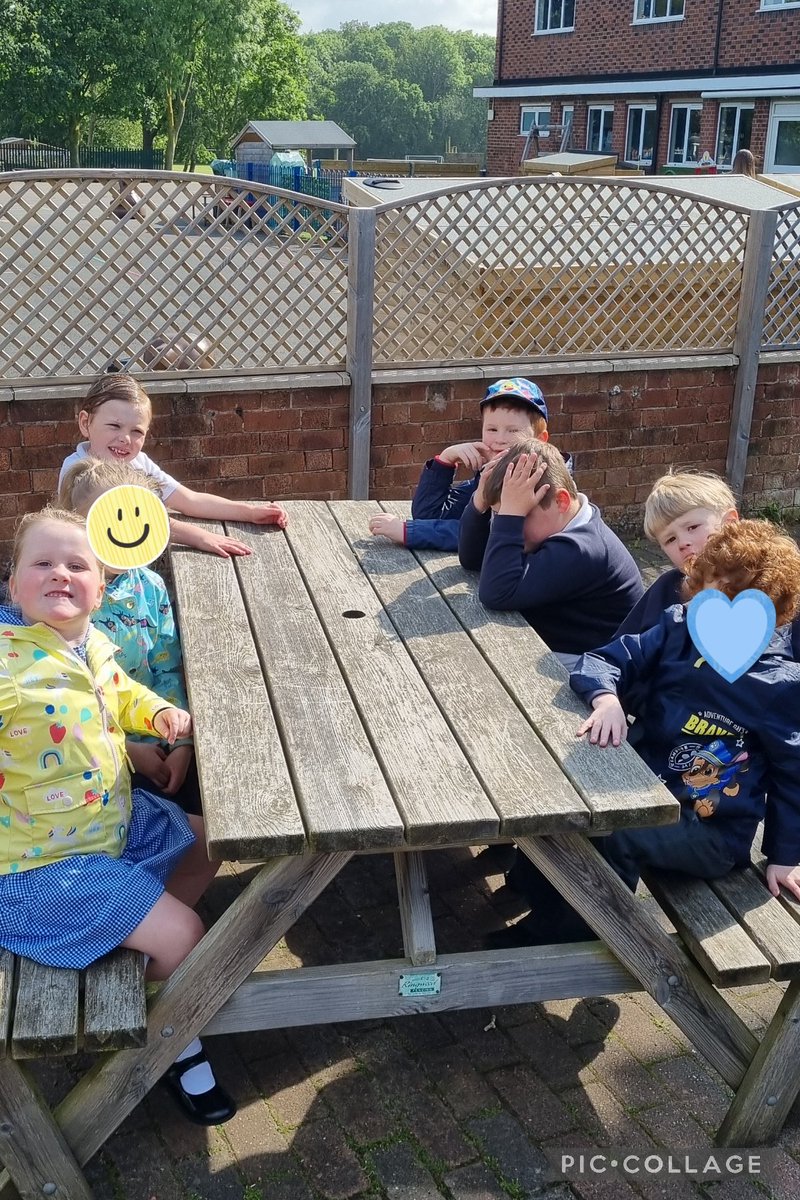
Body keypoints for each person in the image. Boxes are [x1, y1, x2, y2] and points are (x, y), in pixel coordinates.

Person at [0, 507, 235, 1125]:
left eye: (77, 565)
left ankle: (133, 946)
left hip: (112, 828)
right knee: (186, 936)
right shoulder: (6, 664)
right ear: (13, 583)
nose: (60, 574)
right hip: (41, 867)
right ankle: (175, 1041)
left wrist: (157, 714)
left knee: (207, 841)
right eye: (42, 563)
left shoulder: (90, 641)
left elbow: (119, 689)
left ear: (99, 587)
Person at [490, 520, 800, 948]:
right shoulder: (678, 627)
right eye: (712, 590)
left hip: (709, 832)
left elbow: (793, 773)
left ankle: (569, 937)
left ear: (770, 610)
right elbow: (603, 659)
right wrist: (606, 699)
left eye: (737, 598)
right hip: (642, 787)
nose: (717, 606)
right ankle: (533, 884)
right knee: (560, 800)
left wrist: (785, 856)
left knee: (615, 834)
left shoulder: (780, 685)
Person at [58, 457, 200, 814]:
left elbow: (166, 668)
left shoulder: (150, 587)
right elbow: (66, 705)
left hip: (160, 739)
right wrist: (127, 752)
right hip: (91, 762)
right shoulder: (63, 600)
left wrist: (182, 743)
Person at [57, 374, 288, 559]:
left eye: (136, 431)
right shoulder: (79, 469)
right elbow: (139, 523)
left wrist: (250, 512)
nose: (125, 438)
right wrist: (199, 537)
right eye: (114, 426)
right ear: (86, 423)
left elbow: (189, 500)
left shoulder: (137, 461)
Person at [458, 438, 643, 669]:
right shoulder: (558, 524)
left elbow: (496, 593)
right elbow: (473, 559)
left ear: (561, 501)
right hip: (558, 645)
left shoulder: (584, 549)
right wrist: (479, 503)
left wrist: (511, 516)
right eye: (499, 513)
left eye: (520, 514)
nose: (505, 525)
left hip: (593, 664)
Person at [369, 378, 571, 553]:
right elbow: (429, 514)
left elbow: (482, 537)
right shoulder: (490, 473)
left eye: (513, 431)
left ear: (540, 440)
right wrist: (446, 461)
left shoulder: (539, 482)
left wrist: (408, 532)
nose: (500, 439)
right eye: (492, 429)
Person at [617, 469, 800, 654]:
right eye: (670, 540)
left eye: (692, 527)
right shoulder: (666, 589)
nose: (683, 543)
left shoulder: (775, 582)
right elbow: (618, 651)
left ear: (729, 522)